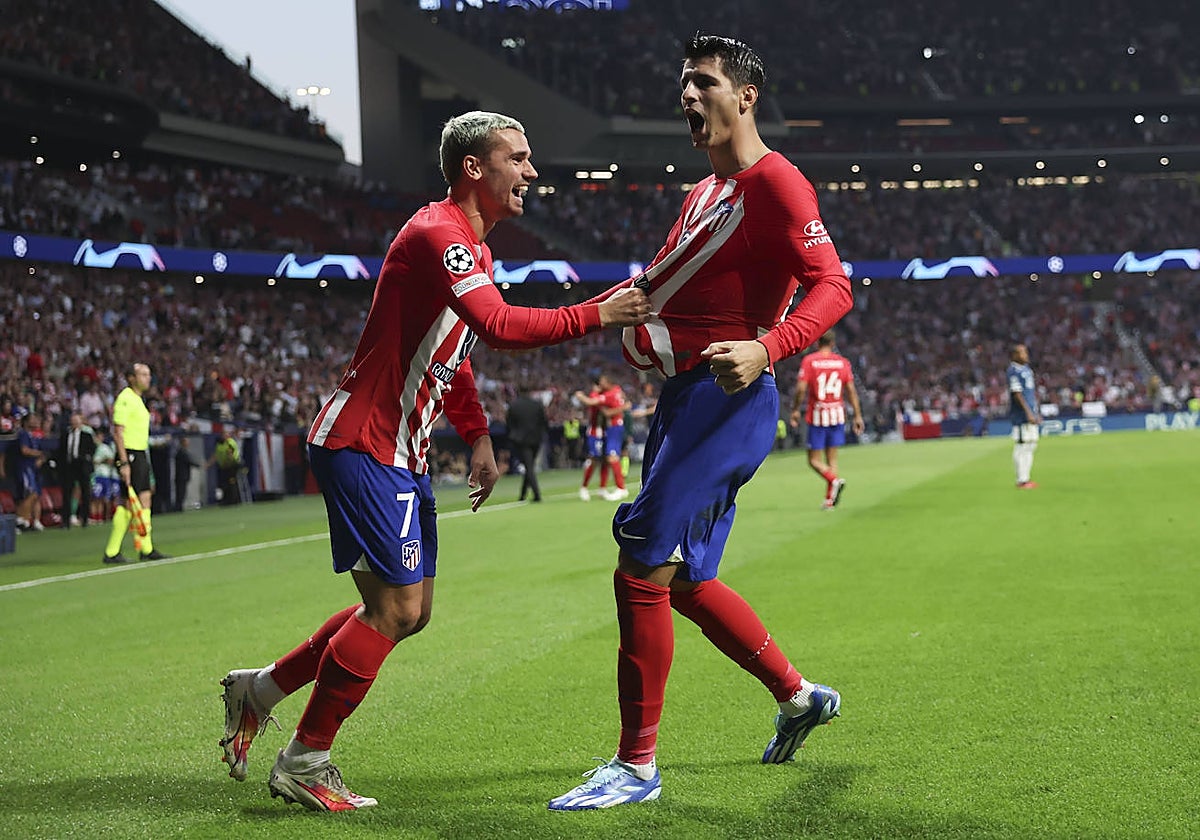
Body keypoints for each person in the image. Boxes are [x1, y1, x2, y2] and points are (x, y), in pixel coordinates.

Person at [216, 110, 651, 812]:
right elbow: (502, 327)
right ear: (475, 168)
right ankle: (304, 759)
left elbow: (458, 350)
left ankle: (257, 692)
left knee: (405, 612)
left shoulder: (472, 249)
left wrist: (476, 436)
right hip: (364, 443)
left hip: (400, 450)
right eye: (519, 157)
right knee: (395, 607)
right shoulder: (439, 235)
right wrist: (599, 312)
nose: (531, 172)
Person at [548, 34, 853, 811]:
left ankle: (636, 765)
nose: (688, 95)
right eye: (683, 84)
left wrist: (767, 344)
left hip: (730, 401)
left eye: (703, 82)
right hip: (686, 400)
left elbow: (833, 286)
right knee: (686, 580)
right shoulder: (701, 195)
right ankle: (797, 696)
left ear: (745, 96)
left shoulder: (778, 182)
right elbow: (664, 289)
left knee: (640, 563)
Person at [790, 331, 865, 509]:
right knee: (832, 460)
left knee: (814, 460)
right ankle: (830, 500)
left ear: (817, 343)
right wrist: (857, 414)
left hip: (818, 416)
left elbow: (801, 388)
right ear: (833, 343)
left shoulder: (810, 361)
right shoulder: (842, 362)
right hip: (837, 414)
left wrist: (795, 410)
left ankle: (834, 481)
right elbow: (851, 390)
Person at [103, 362, 169, 563]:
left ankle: (133, 548)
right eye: (143, 374)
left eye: (148, 374)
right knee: (138, 500)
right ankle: (131, 550)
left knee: (135, 501)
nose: (148, 378)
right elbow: (118, 432)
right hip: (130, 454)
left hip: (139, 453)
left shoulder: (138, 400)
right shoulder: (125, 398)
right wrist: (124, 462)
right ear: (132, 377)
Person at [575, 374, 629, 501]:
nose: (601, 385)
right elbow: (598, 406)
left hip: (607, 430)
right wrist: (623, 407)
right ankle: (584, 487)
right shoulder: (609, 392)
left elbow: (595, 403)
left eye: (602, 382)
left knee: (607, 459)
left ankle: (604, 488)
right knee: (594, 459)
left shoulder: (610, 393)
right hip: (595, 432)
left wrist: (580, 395)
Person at [505, 389, 549, 502]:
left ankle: (537, 495)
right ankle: (523, 495)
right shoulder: (537, 405)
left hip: (521, 440)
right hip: (536, 440)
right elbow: (544, 422)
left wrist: (513, 436)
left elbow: (509, 424)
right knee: (530, 466)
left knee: (529, 467)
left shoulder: (514, 405)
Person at [1008, 343, 1040, 489]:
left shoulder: (1027, 370)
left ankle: (1026, 478)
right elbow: (1017, 394)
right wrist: (1028, 413)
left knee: (1031, 445)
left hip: (1030, 414)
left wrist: (1036, 412)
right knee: (1022, 445)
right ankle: (1021, 480)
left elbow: (1031, 394)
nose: (1026, 355)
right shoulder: (1013, 371)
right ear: (1015, 355)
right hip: (1021, 416)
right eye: (1022, 353)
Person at [59, 412, 96, 527]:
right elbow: (61, 451)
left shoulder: (86, 435)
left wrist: (86, 458)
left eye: (77, 421)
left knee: (85, 492)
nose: (75, 423)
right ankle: (66, 520)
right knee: (67, 492)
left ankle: (84, 518)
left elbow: (92, 449)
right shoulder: (65, 435)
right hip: (69, 466)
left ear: (81, 423)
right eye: (73, 421)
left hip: (82, 466)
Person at [14, 413, 46, 532]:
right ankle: (21, 520)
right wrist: (39, 454)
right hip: (25, 469)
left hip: (34, 469)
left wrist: (41, 459)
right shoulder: (23, 434)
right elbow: (25, 450)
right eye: (33, 419)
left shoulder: (33, 436)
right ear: (26, 422)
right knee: (29, 494)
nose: (36, 421)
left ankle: (28, 520)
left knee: (35, 495)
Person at [206, 427, 243, 506]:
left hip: (232, 465)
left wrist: (228, 462)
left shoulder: (230, 442)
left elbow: (230, 455)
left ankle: (234, 500)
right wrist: (208, 464)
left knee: (232, 482)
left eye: (225, 434)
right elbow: (215, 455)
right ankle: (226, 500)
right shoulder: (219, 444)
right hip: (224, 466)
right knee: (224, 483)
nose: (224, 436)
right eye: (223, 434)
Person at [91, 427, 119, 524]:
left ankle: (106, 517)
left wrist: (101, 461)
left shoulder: (105, 447)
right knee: (96, 497)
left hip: (105, 475)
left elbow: (111, 460)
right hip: (96, 475)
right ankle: (96, 518)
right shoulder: (93, 447)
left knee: (105, 498)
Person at [174, 437, 201, 512]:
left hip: (182, 476)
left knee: (182, 492)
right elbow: (189, 461)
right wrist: (199, 465)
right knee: (181, 492)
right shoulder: (182, 452)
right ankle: (178, 508)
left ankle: (179, 507)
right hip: (181, 476)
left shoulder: (181, 452)